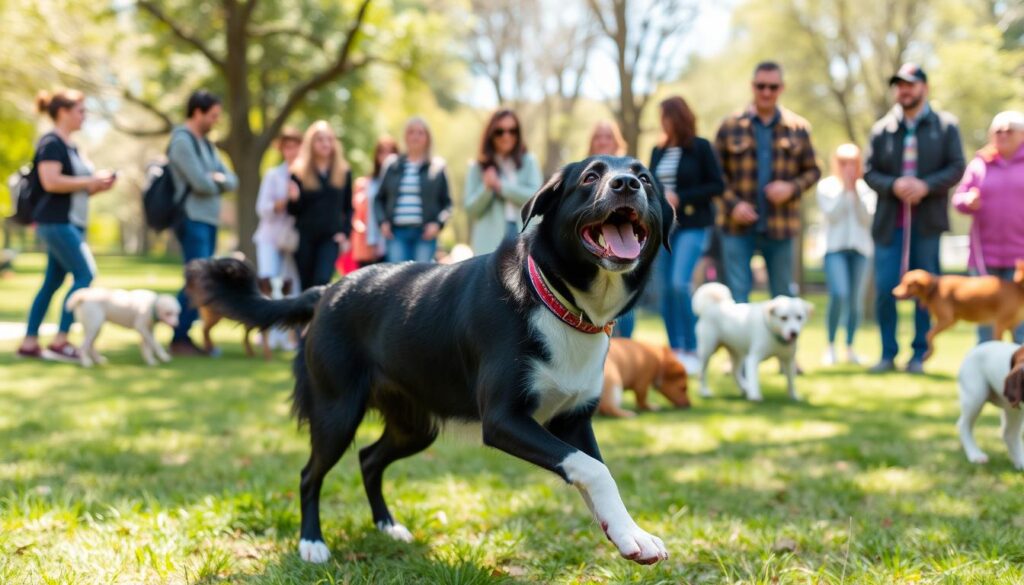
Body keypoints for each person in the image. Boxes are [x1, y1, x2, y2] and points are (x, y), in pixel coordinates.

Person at [864, 63, 965, 373]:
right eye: (899, 85)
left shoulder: (945, 126)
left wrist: (926, 185)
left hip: (927, 223)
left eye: (910, 84)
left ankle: (919, 355)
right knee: (885, 289)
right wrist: (894, 185)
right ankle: (886, 353)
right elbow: (869, 172)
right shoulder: (882, 129)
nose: (904, 90)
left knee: (928, 293)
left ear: (924, 87)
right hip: (889, 224)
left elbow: (956, 167)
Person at [17, 89, 117, 361]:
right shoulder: (51, 143)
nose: (84, 116)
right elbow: (50, 181)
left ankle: (29, 343)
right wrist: (88, 181)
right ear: (63, 112)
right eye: (81, 111)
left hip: (71, 221)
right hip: (56, 221)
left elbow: (76, 187)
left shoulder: (72, 146)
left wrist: (97, 185)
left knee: (52, 282)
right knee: (85, 274)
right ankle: (61, 340)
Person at [714, 61, 821, 302]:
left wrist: (791, 188)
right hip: (736, 226)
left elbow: (813, 170)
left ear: (782, 88)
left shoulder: (798, 128)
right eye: (761, 86)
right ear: (752, 86)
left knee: (783, 298)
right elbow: (715, 176)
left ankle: (783, 342)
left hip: (781, 225)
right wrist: (734, 205)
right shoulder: (729, 126)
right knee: (737, 298)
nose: (766, 92)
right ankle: (740, 342)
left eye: (772, 87)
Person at [651, 97, 725, 370]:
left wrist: (681, 197)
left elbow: (716, 185)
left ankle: (692, 348)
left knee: (679, 284)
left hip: (692, 226)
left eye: (666, 117)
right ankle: (675, 349)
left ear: (678, 118)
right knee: (664, 290)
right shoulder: (657, 151)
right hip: (662, 229)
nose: (662, 123)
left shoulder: (701, 148)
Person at [168, 90, 238, 356]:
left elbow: (232, 180)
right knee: (197, 280)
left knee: (202, 279)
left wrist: (216, 178)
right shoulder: (182, 142)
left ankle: (180, 332)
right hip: (191, 217)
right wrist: (215, 179)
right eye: (213, 115)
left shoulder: (207, 145)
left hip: (208, 218)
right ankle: (178, 335)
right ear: (197, 112)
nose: (216, 121)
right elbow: (199, 182)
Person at [952, 111, 1024, 343]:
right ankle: (985, 377)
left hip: (1020, 260)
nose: (1002, 135)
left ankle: (1018, 376)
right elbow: (958, 199)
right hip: (985, 256)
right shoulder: (979, 165)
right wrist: (967, 201)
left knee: (1019, 323)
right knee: (985, 321)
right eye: (997, 131)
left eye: (1009, 130)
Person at [816, 144, 876, 365]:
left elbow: (866, 219)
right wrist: (845, 190)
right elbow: (832, 216)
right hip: (834, 249)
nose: (849, 167)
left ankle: (849, 347)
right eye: (844, 163)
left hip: (861, 250)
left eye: (853, 162)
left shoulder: (866, 189)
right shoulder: (827, 187)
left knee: (855, 301)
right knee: (839, 294)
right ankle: (830, 345)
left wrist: (855, 192)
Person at [464, 109, 543, 254]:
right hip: (489, 239)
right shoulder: (477, 167)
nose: (506, 136)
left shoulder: (529, 162)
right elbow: (470, 210)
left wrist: (500, 186)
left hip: (524, 235)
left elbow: (535, 197)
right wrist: (486, 188)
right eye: (500, 131)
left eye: (512, 131)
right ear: (491, 134)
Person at [287, 120, 353, 288]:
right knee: (306, 283)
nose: (325, 144)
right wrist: (294, 199)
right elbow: (293, 211)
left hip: (330, 237)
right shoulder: (298, 172)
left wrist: (345, 233)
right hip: (306, 237)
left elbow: (348, 207)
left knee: (322, 280)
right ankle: (307, 315)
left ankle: (320, 314)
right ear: (311, 143)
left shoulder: (343, 171)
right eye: (320, 139)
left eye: (328, 139)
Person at [377, 117, 451, 263]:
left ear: (427, 138)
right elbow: (379, 198)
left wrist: (438, 224)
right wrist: (382, 222)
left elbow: (447, 204)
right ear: (405, 136)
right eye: (411, 132)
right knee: (397, 279)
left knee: (422, 279)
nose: (415, 136)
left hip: (424, 234)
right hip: (396, 233)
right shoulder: (392, 165)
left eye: (420, 133)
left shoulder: (437, 167)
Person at [586, 120, 636, 338]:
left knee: (624, 292)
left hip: (625, 237)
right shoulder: (584, 171)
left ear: (617, 141)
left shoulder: (632, 170)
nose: (603, 141)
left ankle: (623, 344)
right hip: (595, 242)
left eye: (608, 136)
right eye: (599, 136)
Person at [351, 136, 398, 268]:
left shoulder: (401, 183)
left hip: (392, 240)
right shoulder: (365, 184)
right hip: (367, 241)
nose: (386, 156)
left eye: (390, 152)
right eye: (382, 152)